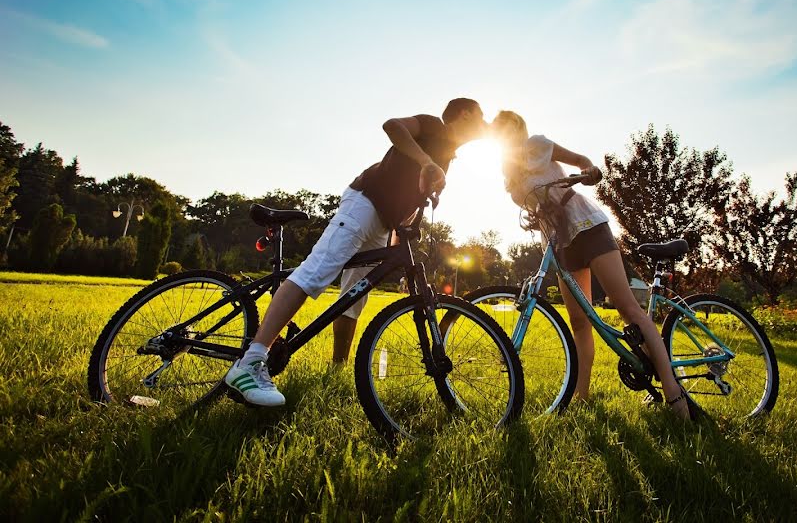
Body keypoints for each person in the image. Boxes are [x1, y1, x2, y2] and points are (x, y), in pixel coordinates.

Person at [226, 98, 489, 406]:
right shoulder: (433, 126)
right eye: (480, 116)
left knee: (354, 296)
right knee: (314, 273)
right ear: (466, 113)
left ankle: (337, 368)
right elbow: (393, 126)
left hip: (383, 222)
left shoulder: (448, 154)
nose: (483, 123)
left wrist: (402, 228)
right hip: (365, 203)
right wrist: (426, 161)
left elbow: (406, 191)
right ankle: (251, 362)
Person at [491, 110, 691, 420]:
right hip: (558, 241)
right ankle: (581, 397)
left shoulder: (537, 145)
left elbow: (580, 159)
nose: (504, 134)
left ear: (518, 128)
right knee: (580, 321)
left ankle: (674, 395)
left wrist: (590, 170)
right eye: (498, 131)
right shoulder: (510, 178)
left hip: (585, 224)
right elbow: (535, 206)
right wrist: (534, 218)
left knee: (628, 309)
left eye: (508, 127)